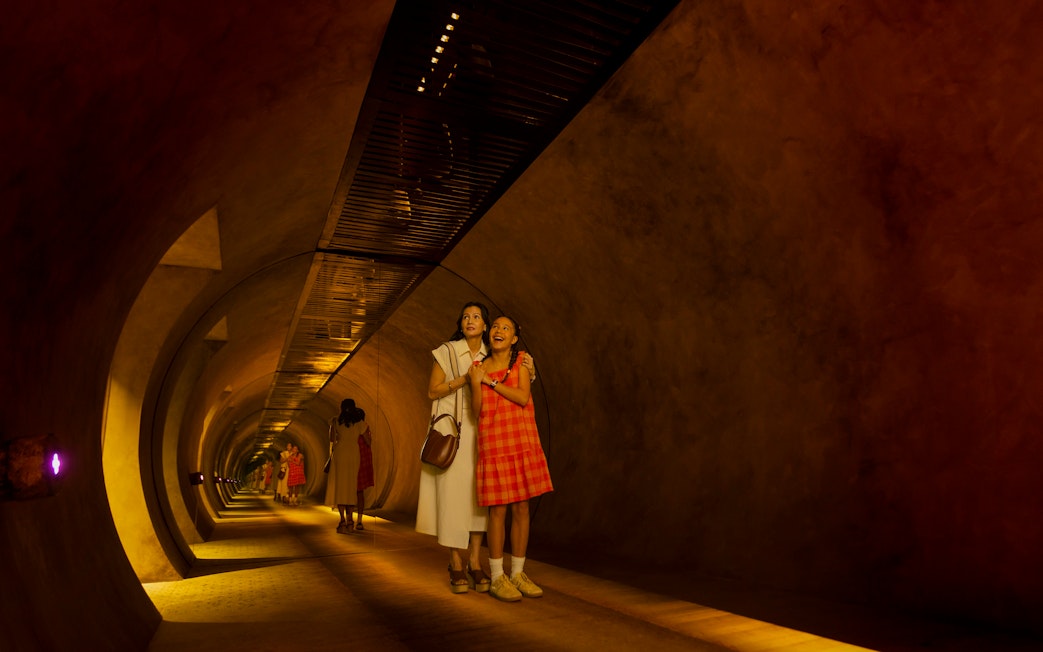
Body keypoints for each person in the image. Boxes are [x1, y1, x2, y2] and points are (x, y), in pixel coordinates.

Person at [468, 315, 553, 602]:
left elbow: (522, 398)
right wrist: (475, 382)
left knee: (521, 507)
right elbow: (476, 410)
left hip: (521, 440)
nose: (498, 330)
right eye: (495, 327)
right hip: (494, 444)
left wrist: (490, 384)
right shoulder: (477, 368)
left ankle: (517, 572)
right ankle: (497, 576)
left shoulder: (522, 363)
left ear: (514, 339)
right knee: (498, 511)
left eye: (506, 328)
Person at [328, 399, 372, 532]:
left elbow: (331, 438)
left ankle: (342, 521)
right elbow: (368, 442)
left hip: (340, 453)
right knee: (352, 487)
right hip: (354, 453)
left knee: (341, 487)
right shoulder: (359, 423)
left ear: (341, 408)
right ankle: (351, 521)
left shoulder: (335, 421)